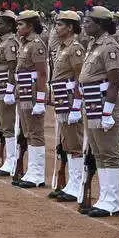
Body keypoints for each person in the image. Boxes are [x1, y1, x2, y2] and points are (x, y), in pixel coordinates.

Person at [78, 6, 119, 217]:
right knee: (98, 151)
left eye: (89, 21)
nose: (85, 24)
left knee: (109, 152)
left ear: (101, 24)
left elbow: (114, 81)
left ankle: (112, 201)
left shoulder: (109, 46)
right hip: (92, 100)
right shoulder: (92, 45)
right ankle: (105, 197)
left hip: (105, 100)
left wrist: (108, 112)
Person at [47, 11, 85, 202]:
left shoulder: (75, 48)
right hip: (62, 98)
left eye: (60, 24)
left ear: (70, 27)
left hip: (71, 98)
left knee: (74, 142)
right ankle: (72, 183)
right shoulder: (62, 47)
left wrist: (77, 105)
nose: (57, 27)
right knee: (66, 142)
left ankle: (77, 184)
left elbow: (80, 77)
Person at [12, 10, 48, 188]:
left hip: (33, 90)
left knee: (35, 132)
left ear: (31, 26)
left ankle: (38, 173)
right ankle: (32, 170)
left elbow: (42, 73)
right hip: (24, 89)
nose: (17, 27)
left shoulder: (36, 44)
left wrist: (41, 99)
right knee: (27, 131)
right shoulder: (24, 43)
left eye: (20, 24)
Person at [0, 9, 20, 177]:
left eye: (0, 23)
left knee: (8, 125)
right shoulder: (3, 41)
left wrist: (9, 90)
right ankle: (10, 159)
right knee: (2, 124)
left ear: (9, 25)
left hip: (4, 86)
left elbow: (12, 67)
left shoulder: (10, 42)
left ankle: (12, 160)